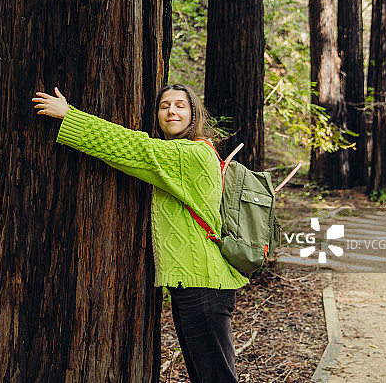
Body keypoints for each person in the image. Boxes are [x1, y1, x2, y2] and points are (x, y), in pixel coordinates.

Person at [32, 84, 248, 383]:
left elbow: (132, 148)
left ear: (194, 114)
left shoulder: (192, 153)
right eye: (164, 106)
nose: (171, 111)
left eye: (180, 105)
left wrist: (71, 116)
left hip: (204, 288)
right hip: (195, 285)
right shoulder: (184, 155)